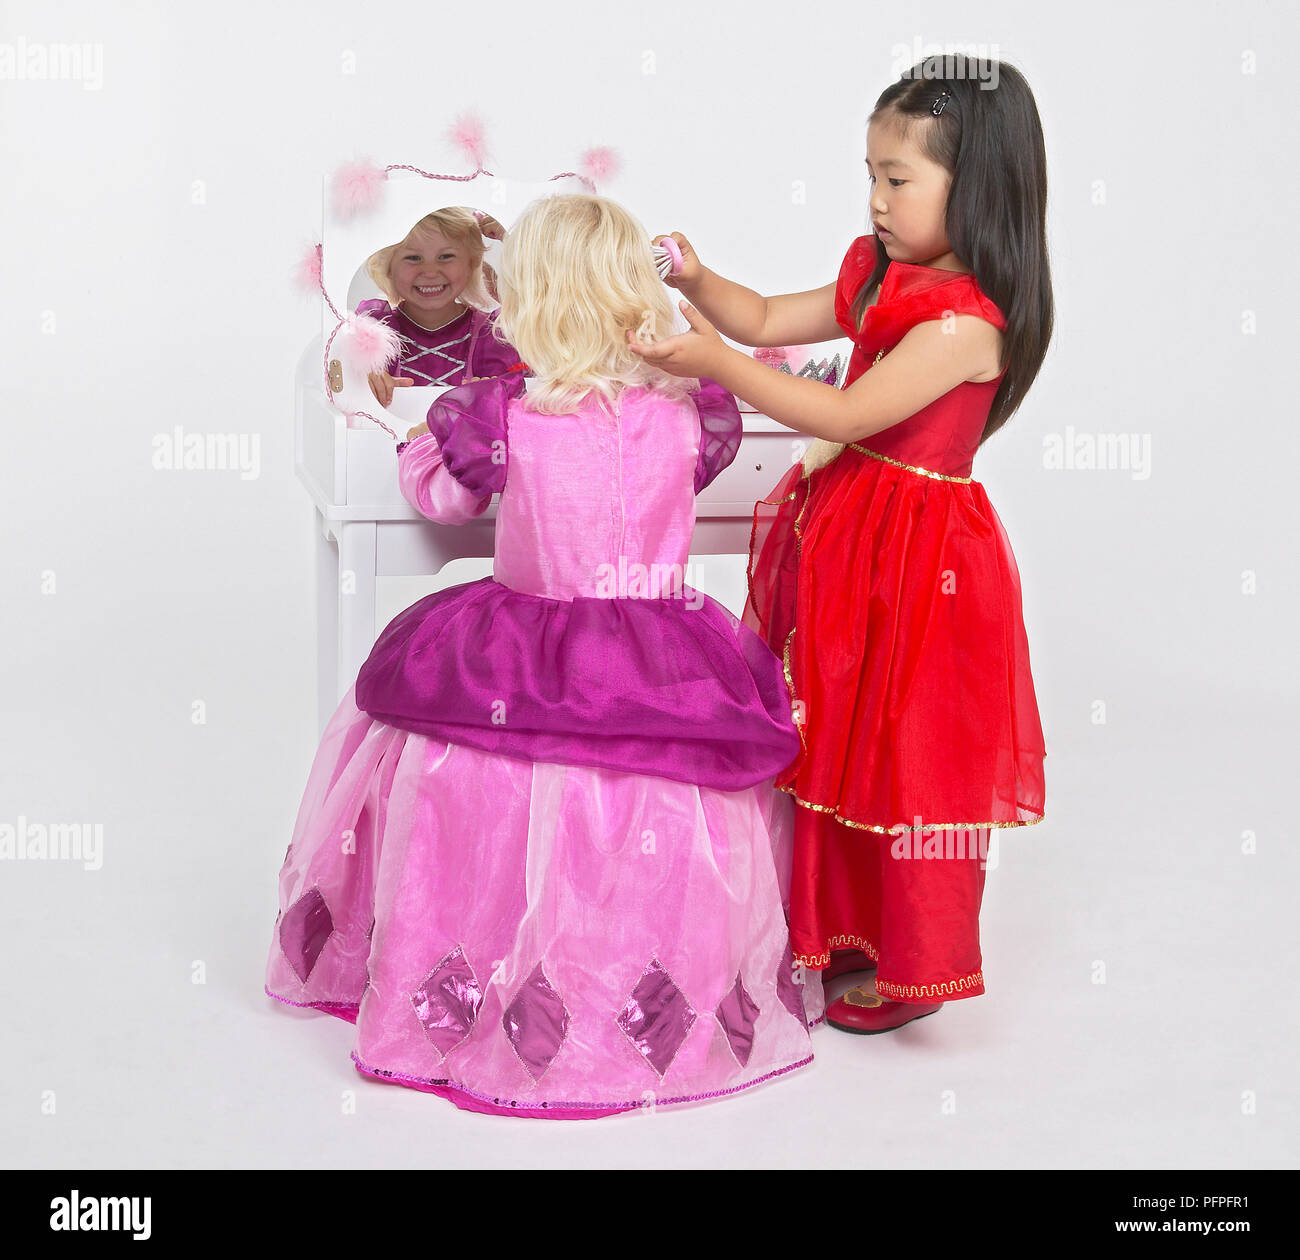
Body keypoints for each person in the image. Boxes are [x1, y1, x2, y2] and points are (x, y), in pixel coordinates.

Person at [265, 191, 818, 1117]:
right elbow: (692, 475)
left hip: (534, 631)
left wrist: (412, 444)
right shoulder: (694, 413)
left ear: (529, 302)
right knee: (660, 795)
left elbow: (442, 502)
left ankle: (466, 977)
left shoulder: (505, 414)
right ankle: (649, 982)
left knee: (472, 773)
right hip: (661, 638)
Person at [629, 55, 1050, 1035]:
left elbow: (850, 411)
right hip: (846, 531)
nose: (876, 200)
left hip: (919, 557)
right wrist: (697, 280)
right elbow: (772, 317)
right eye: (868, 173)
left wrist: (717, 367)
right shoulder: (879, 276)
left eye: (898, 180)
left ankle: (907, 958)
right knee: (826, 724)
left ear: (977, 186)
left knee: (898, 746)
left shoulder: (966, 325)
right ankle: (828, 927)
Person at [356, 206, 524, 409]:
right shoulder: (376, 329)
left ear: (471, 264)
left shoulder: (491, 337)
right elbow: (333, 379)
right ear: (389, 268)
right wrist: (361, 377)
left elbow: (551, 320)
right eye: (414, 258)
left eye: (446, 257)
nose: (430, 271)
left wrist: (514, 238)